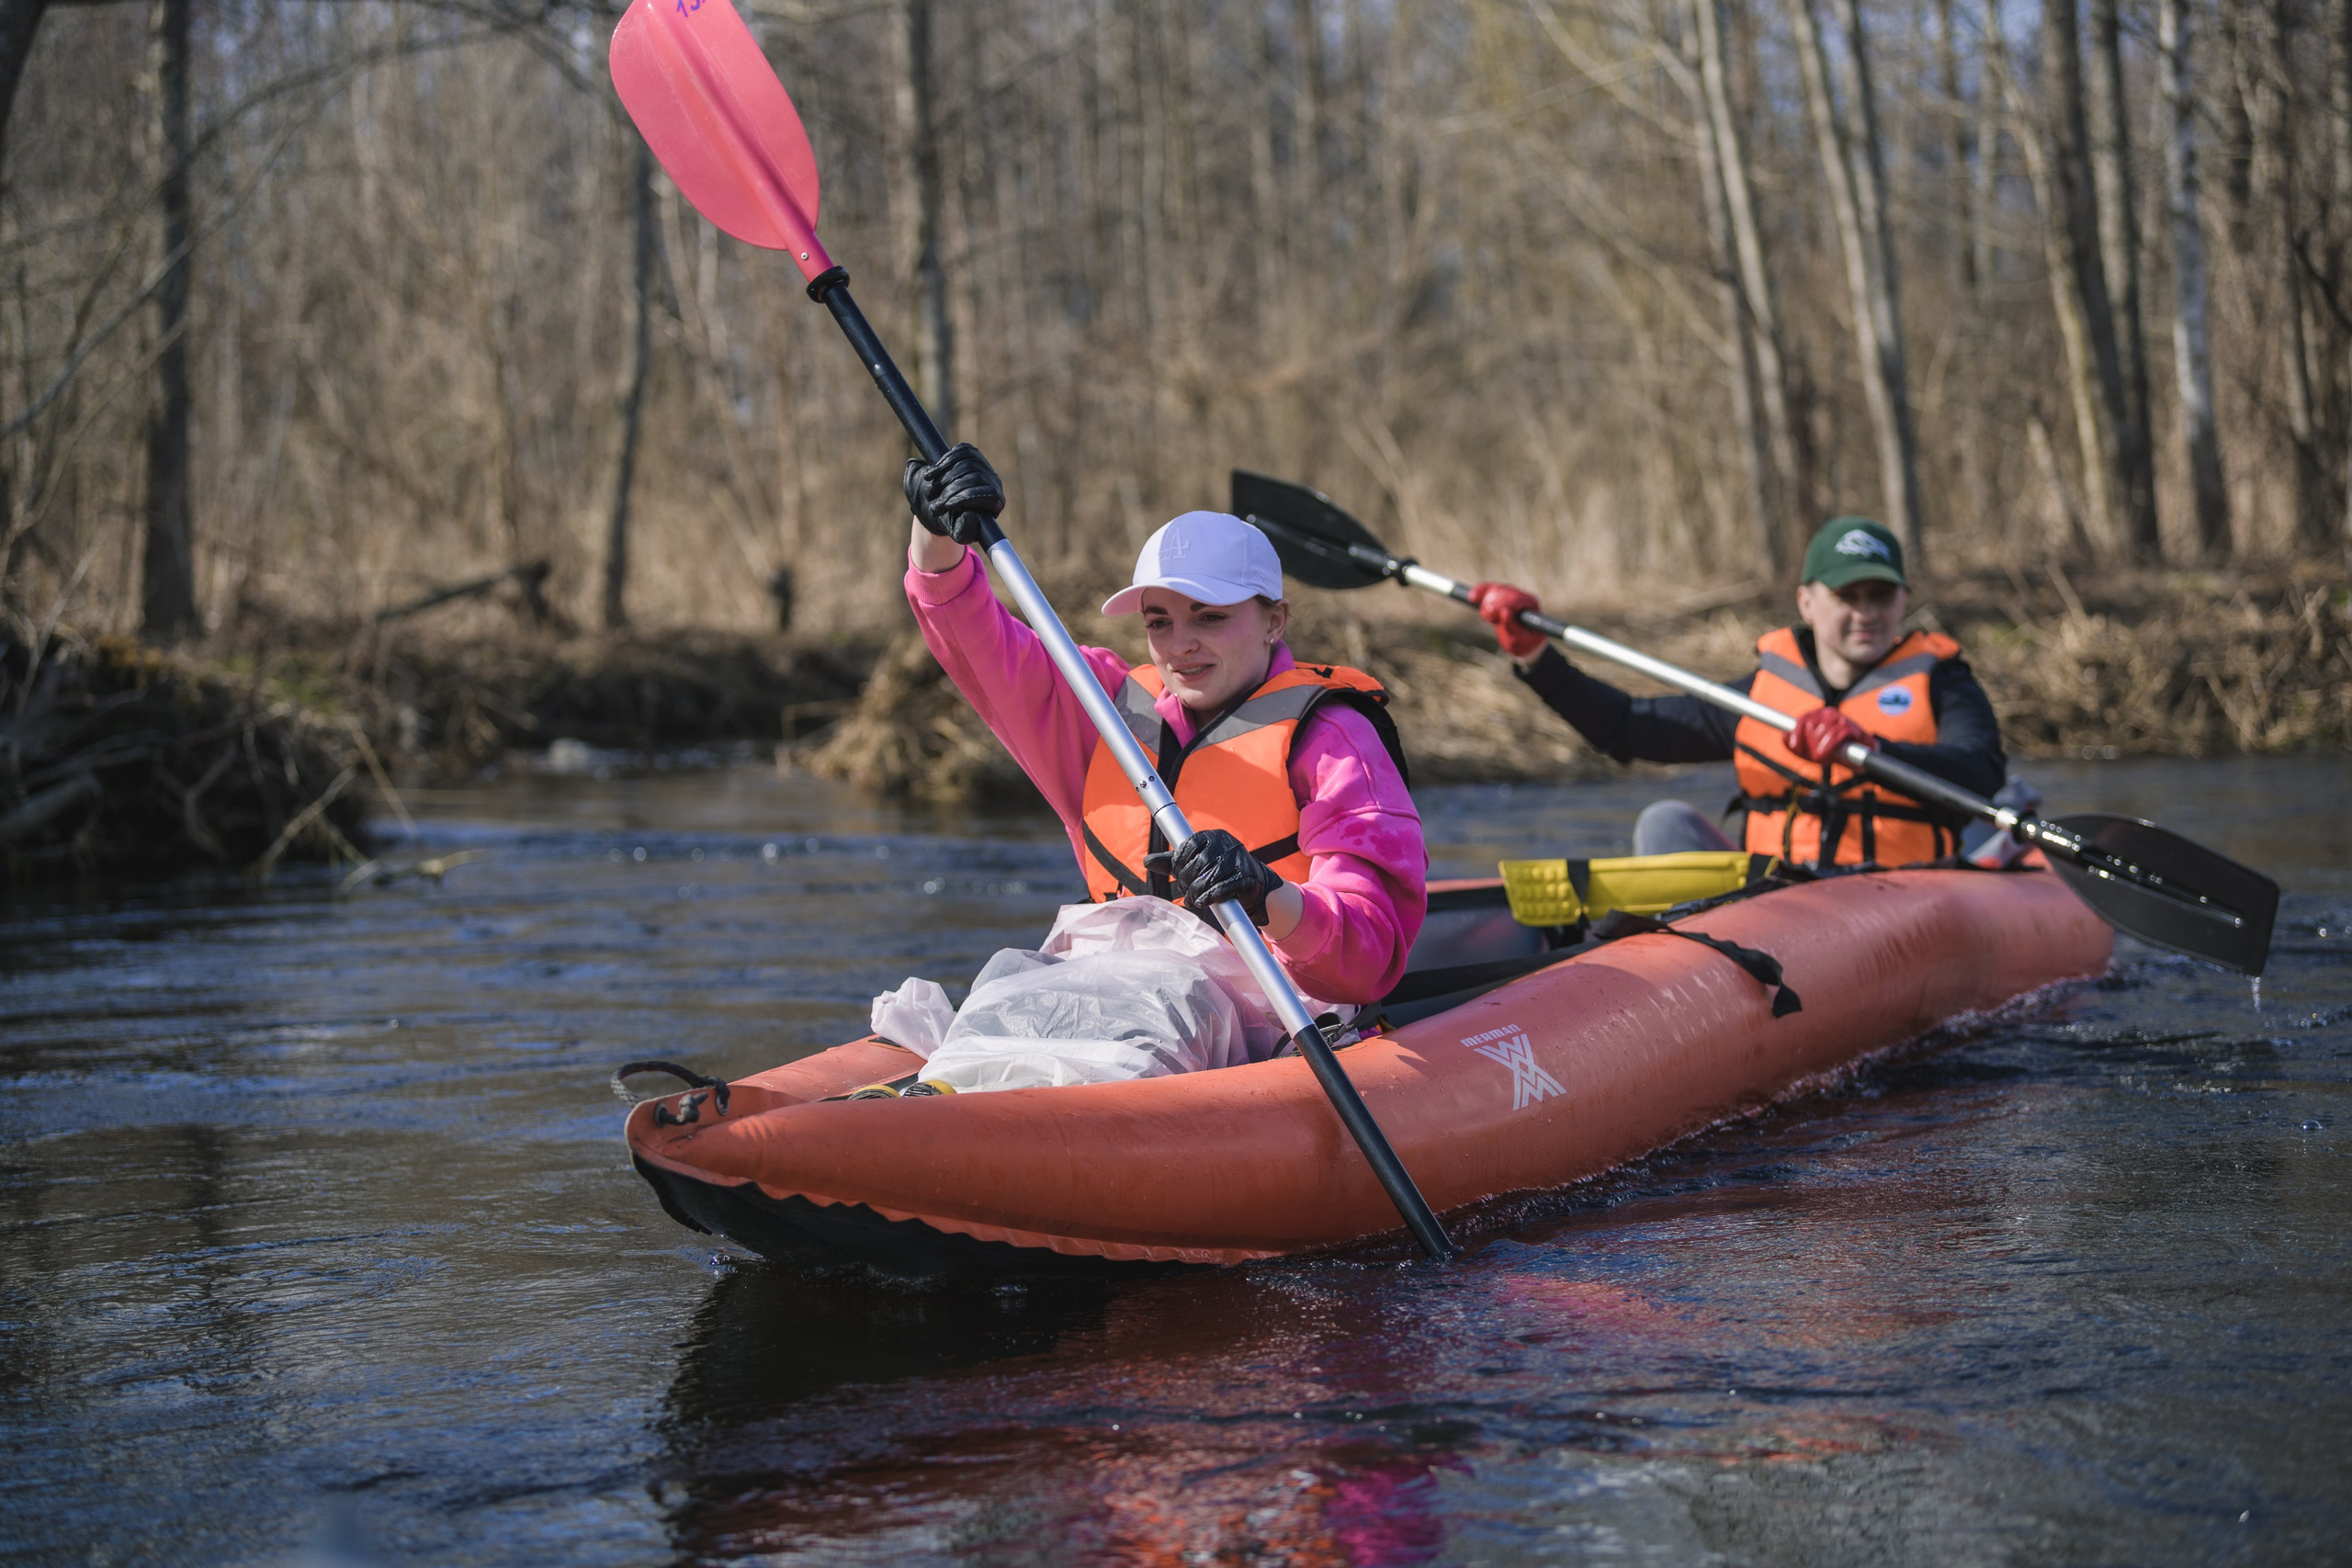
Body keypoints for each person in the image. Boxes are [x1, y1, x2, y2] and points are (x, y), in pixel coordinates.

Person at [901, 443, 1428, 1013]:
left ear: (1274, 620)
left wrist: (1264, 893)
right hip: (1114, 994)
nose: (1181, 645)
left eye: (1211, 617)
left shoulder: (1333, 741)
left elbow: (1369, 954)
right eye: (1160, 621)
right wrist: (936, 534)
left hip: (1273, 1018)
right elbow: (974, 640)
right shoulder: (1105, 709)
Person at [1469, 517, 2007, 868]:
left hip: (1904, 896)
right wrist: (1536, 659)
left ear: (1902, 600)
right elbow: (1627, 729)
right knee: (1665, 822)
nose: (1866, 612)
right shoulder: (1762, 696)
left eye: (1881, 595)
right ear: (1806, 602)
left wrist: (1875, 750)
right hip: (1779, 898)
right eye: (1847, 595)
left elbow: (1981, 773)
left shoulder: (1943, 684)